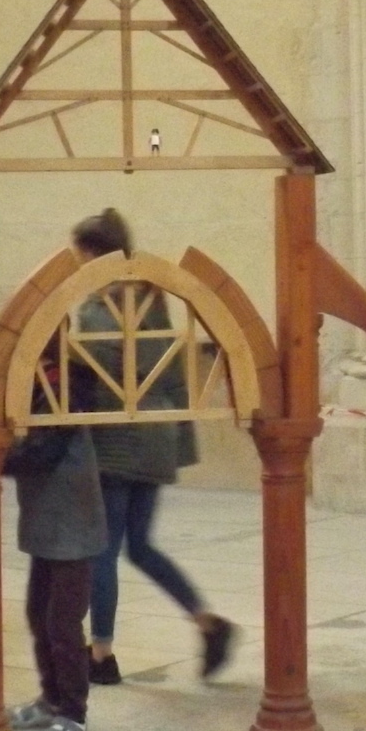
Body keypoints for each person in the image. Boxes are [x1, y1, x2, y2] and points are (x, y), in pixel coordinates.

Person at [70, 208, 236, 685]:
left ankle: (100, 654)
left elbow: (108, 373)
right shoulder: (154, 300)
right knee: (139, 547)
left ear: (97, 255)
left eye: (82, 258)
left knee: (102, 550)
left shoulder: (104, 309)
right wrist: (181, 441)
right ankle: (209, 624)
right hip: (155, 437)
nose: (79, 269)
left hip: (119, 439)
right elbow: (170, 376)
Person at [4, 346, 107, 731]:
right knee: (37, 615)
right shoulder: (29, 382)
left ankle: (73, 715)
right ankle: (50, 700)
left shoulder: (66, 383)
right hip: (46, 519)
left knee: (63, 623)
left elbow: (44, 450)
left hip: (73, 522)